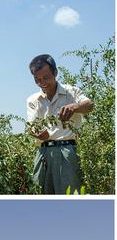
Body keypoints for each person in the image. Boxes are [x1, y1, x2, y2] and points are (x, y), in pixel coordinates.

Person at [26, 54, 93, 194]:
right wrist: (37, 133)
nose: (42, 82)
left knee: (69, 196)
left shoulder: (71, 92)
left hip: (67, 151)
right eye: (37, 79)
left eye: (46, 77)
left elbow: (89, 106)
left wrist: (74, 107)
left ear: (55, 73)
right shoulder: (33, 100)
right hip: (43, 152)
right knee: (40, 195)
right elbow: (31, 126)